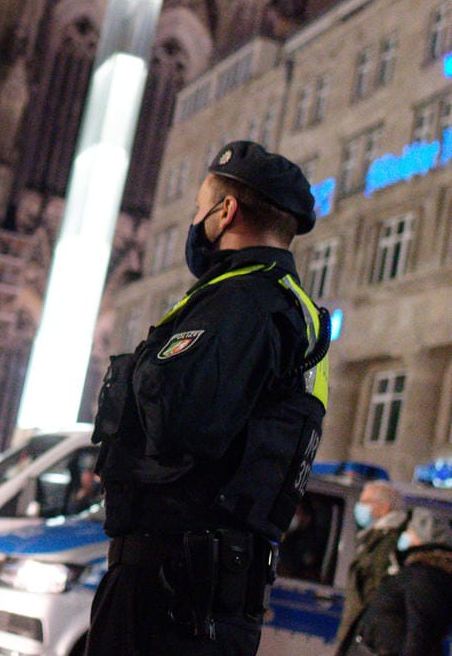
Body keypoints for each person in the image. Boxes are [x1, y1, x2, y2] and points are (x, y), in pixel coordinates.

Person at [89, 140, 332, 655]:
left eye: (201, 208)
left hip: (170, 594)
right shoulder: (279, 304)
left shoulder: (244, 301)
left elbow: (180, 424)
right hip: (201, 590)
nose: (196, 221)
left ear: (227, 212)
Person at [351, 507, 452, 656]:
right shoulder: (419, 573)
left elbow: (420, 635)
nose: (405, 535)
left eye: (410, 531)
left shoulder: (426, 577)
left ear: (422, 537)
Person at [336, 481, 409, 655]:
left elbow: (377, 591)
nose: (360, 507)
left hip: (370, 638)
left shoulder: (390, 541)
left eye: (366, 502)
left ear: (384, 507)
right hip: (363, 634)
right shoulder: (375, 536)